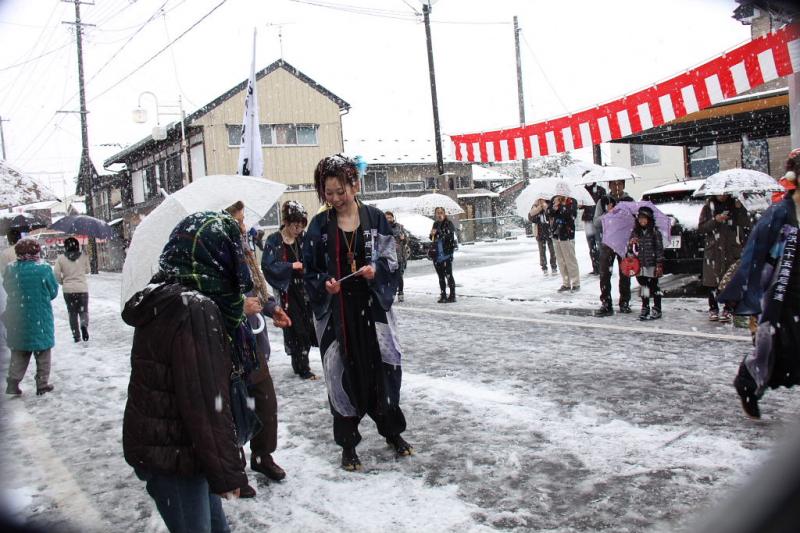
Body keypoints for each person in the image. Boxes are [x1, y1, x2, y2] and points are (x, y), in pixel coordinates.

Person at [122, 210, 253, 532]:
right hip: (176, 454)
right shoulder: (195, 308)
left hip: (172, 448)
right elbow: (206, 401)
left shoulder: (166, 294)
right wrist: (227, 472)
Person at [304, 154, 412, 471]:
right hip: (338, 314)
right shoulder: (319, 226)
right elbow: (310, 271)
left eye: (341, 190)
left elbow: (392, 261)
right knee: (341, 376)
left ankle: (393, 432)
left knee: (384, 374)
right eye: (329, 192)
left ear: (355, 184)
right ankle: (348, 445)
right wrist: (325, 283)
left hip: (373, 309)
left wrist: (375, 270)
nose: (335, 198)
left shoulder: (375, 218)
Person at [720, 150, 800, 419]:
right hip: (781, 292)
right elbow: (754, 255)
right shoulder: (780, 213)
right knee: (779, 350)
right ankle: (747, 381)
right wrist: (743, 293)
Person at [224, 201, 293, 497]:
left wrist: (272, 308)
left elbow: (258, 289)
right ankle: (233, 468)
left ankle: (263, 455)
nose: (243, 225)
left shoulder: (245, 251)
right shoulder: (213, 255)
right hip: (224, 345)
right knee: (229, 407)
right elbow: (206, 301)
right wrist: (239, 307)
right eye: (237, 220)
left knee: (265, 401)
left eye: (242, 219)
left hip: (252, 343)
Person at [262, 201, 319, 380]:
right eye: (296, 225)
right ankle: (302, 367)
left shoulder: (303, 238)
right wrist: (290, 266)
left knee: (308, 325)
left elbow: (313, 259)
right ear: (286, 222)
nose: (299, 229)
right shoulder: (274, 240)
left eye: (302, 225)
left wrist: (306, 267)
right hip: (288, 290)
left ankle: (301, 361)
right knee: (296, 328)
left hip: (305, 289)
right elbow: (268, 266)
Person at [3, 239, 58, 396]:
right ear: (36, 252)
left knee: (20, 350)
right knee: (43, 350)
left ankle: (13, 382)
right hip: (40, 316)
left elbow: (7, 288)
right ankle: (42, 384)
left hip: (17, 316)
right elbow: (53, 291)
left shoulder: (11, 269)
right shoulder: (44, 269)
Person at [698, 194, 750, 322]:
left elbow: (745, 223)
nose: (722, 196)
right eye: (719, 193)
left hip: (731, 249)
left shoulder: (735, 205)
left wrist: (739, 209)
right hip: (714, 249)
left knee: (730, 280)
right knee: (712, 281)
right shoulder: (708, 207)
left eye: (724, 193)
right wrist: (716, 220)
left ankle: (729, 308)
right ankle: (713, 308)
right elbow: (701, 228)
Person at [594, 179, 635, 316]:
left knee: (625, 273)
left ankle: (624, 302)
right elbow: (596, 222)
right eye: (614, 184)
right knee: (605, 273)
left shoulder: (629, 200)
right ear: (609, 186)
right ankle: (606, 303)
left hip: (624, 241)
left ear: (623, 185)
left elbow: (635, 219)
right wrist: (608, 214)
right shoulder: (604, 200)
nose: (617, 187)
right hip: (608, 242)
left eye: (619, 184)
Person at [629, 206, 665, 320]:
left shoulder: (655, 232)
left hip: (651, 264)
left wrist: (659, 263)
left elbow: (659, 249)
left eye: (644, 218)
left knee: (654, 286)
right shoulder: (635, 233)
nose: (642, 221)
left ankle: (657, 307)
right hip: (639, 265)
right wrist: (631, 244)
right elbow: (630, 250)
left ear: (649, 219)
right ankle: (645, 306)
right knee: (644, 286)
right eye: (640, 218)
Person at [54, 237, 91, 342]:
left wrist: (62, 281)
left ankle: (76, 335)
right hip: (82, 288)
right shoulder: (83, 256)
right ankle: (84, 325)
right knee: (83, 311)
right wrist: (85, 259)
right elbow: (88, 270)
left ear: (66, 247)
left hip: (68, 290)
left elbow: (56, 273)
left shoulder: (60, 258)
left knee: (72, 313)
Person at [547, 187, 580, 292]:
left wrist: (562, 206)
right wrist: (554, 207)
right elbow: (548, 213)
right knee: (560, 260)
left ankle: (575, 283)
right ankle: (565, 283)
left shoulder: (572, 201)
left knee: (570, 259)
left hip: (567, 233)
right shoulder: (554, 199)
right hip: (556, 233)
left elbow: (571, 215)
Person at [430, 206, 457, 303]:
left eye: (441, 212)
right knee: (440, 276)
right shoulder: (435, 223)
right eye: (438, 213)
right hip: (437, 254)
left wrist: (439, 232)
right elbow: (432, 238)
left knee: (449, 275)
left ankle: (452, 295)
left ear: (444, 214)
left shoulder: (449, 223)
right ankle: (443, 295)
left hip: (446, 253)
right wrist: (432, 234)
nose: (439, 214)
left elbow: (449, 235)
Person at [528, 198, 557, 275]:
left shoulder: (549, 204)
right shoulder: (535, 207)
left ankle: (554, 266)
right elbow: (531, 218)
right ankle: (544, 267)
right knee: (542, 251)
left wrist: (545, 208)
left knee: (552, 250)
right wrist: (538, 210)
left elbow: (551, 215)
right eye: (539, 199)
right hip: (540, 232)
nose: (541, 200)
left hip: (549, 231)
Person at [385, 211, 410, 302]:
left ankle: (401, 292)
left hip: (399, 255)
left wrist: (404, 239)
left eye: (390, 217)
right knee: (389, 276)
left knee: (399, 275)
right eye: (386, 217)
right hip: (388, 256)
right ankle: (392, 293)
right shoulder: (383, 227)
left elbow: (406, 241)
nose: (388, 219)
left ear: (393, 218)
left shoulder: (399, 227)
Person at [583, 182, 606, 275]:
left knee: (600, 243)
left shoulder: (600, 190)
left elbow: (604, 203)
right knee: (591, 244)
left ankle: (603, 266)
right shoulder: (583, 190)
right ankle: (595, 267)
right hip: (588, 219)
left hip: (598, 219)